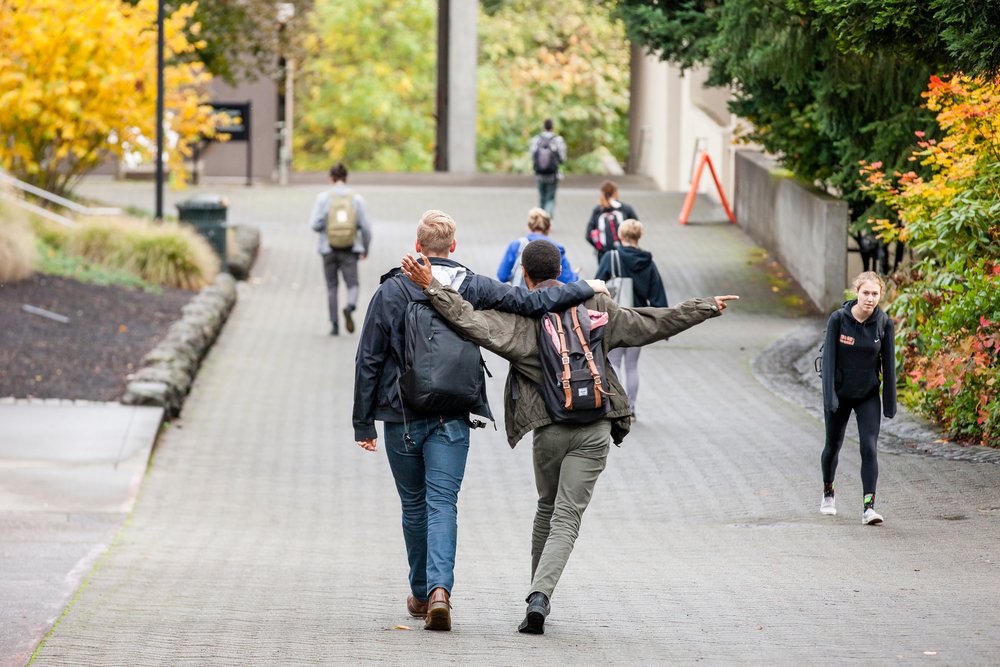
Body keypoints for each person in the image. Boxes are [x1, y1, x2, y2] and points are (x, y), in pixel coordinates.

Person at [401, 240, 738, 634]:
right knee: (567, 515)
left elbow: (469, 320)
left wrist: (432, 286)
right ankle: (538, 597)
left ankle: (535, 596)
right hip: (594, 425)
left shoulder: (520, 319)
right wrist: (704, 307)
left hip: (548, 429)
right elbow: (650, 323)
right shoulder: (596, 308)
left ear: (524, 277)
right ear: (561, 271)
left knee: (547, 507)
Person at [353, 211, 603, 632]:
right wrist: (585, 287)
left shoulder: (392, 290)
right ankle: (440, 592)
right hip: (453, 412)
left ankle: (420, 590)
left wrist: (363, 423)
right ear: (454, 247)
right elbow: (531, 302)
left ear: (418, 248)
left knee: (414, 505)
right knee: (442, 503)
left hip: (401, 414)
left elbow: (370, 357)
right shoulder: (473, 285)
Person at [819, 270, 896, 525]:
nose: (870, 298)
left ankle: (868, 508)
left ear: (880, 295)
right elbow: (828, 361)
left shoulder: (884, 323)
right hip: (840, 393)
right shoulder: (838, 320)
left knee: (869, 447)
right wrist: (829, 397)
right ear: (857, 292)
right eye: (866, 293)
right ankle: (828, 492)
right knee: (833, 445)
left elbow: (889, 364)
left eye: (875, 294)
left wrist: (890, 401)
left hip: (867, 395)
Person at [594, 219, 668, 418]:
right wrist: (664, 322)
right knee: (632, 366)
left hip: (616, 317)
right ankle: (632, 408)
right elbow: (657, 293)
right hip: (638, 318)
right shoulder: (648, 262)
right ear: (639, 236)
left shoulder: (611, 257)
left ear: (620, 235)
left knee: (614, 363)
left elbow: (597, 282)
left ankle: (618, 406)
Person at [309, 162, 372, 335]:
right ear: (346, 178)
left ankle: (334, 325)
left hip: (327, 248)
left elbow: (314, 225)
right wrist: (365, 248)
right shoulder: (356, 199)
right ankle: (350, 306)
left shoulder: (323, 198)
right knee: (352, 284)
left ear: (331, 178)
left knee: (332, 286)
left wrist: (327, 223)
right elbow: (366, 228)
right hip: (350, 248)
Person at [497, 207, 578, 287]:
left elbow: (502, 276)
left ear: (528, 226)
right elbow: (569, 281)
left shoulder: (516, 245)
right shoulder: (556, 249)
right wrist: (575, 275)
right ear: (549, 228)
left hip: (520, 296)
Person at [585, 180, 639, 264]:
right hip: (625, 252)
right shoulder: (625, 209)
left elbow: (588, 235)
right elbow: (636, 228)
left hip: (604, 254)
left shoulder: (598, 210)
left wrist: (599, 248)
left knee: (604, 276)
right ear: (615, 193)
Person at [530, 119, 568, 218]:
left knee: (542, 198)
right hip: (553, 174)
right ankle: (547, 219)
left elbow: (533, 156)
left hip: (539, 174)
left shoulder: (536, 139)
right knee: (550, 198)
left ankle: (540, 220)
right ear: (552, 127)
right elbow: (562, 158)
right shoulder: (558, 140)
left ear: (543, 126)